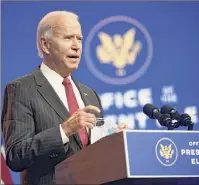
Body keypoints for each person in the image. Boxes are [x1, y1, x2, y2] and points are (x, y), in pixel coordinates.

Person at [1, 11, 126, 185]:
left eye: (79, 39)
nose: (77, 46)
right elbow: (16, 155)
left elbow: (95, 155)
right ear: (45, 44)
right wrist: (65, 130)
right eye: (68, 38)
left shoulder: (90, 94)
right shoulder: (21, 89)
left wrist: (114, 141)